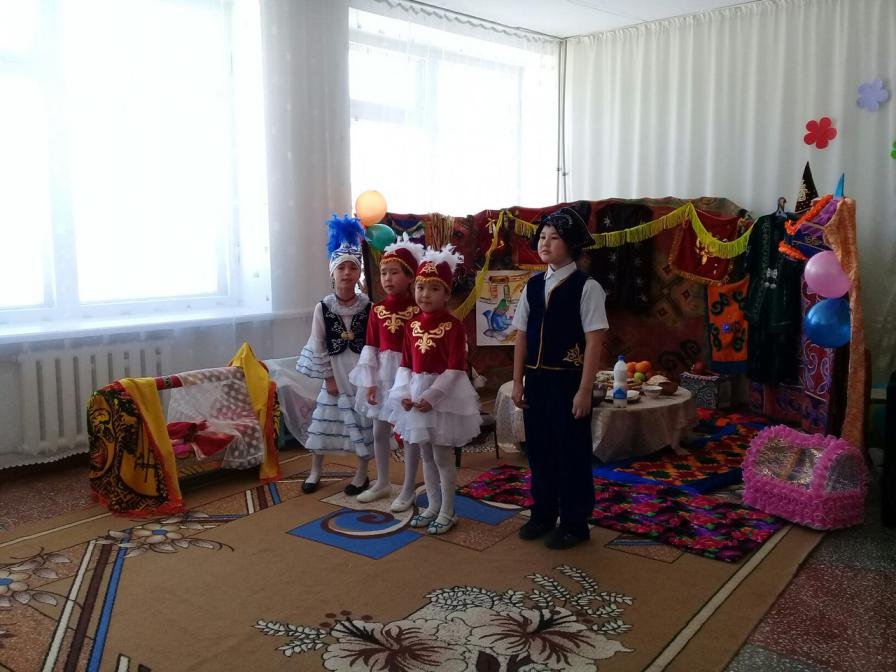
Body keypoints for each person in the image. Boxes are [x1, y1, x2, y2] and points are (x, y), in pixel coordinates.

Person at [511, 205, 608, 550]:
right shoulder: (533, 285)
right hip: (537, 382)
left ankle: (575, 523)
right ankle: (542, 514)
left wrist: (585, 390)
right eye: (542, 237)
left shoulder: (587, 287)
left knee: (571, 454)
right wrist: (518, 380)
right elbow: (521, 336)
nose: (545, 243)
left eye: (554, 238)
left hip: (568, 384)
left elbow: (595, 340)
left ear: (571, 245)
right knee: (539, 451)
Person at [388, 246, 481, 534]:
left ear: (447, 294)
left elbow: (455, 368)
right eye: (420, 287)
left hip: (443, 398)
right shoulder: (411, 325)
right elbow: (405, 364)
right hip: (416, 395)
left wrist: (431, 397)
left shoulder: (454, 326)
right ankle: (432, 505)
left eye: (434, 288)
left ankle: (448, 510)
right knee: (425, 454)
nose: (425, 294)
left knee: (442, 456)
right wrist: (404, 394)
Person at [296, 214, 374, 495]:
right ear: (332, 272)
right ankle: (316, 470)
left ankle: (362, 473)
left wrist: (371, 377)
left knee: (362, 422)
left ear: (358, 273)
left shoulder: (368, 306)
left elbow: (372, 343)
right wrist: (328, 377)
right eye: (341, 268)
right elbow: (318, 342)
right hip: (335, 369)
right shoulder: (323, 308)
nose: (347, 273)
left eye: (353, 268)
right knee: (324, 421)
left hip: (359, 370)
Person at [349, 234, 424, 508]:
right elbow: (371, 346)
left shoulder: (418, 310)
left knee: (409, 431)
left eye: (394, 272)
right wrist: (370, 382)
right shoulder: (377, 309)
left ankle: (408, 487)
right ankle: (382, 482)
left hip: (407, 375)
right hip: (381, 376)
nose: (387, 278)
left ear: (410, 276)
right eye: (383, 273)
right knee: (378, 429)